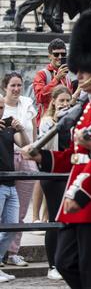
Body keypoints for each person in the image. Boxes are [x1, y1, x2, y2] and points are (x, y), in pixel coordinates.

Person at [20, 9, 91, 289]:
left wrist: (80, 191)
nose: (80, 73)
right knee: (67, 262)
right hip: (76, 200)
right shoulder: (87, 108)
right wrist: (42, 156)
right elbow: (74, 157)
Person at [1, 72, 37, 267]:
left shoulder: (27, 104)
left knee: (20, 210)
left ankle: (13, 251)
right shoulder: (0, 105)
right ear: (4, 88)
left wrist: (34, 153)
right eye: (12, 86)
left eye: (19, 85)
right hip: (6, 158)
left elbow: (34, 131)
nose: (16, 89)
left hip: (25, 155)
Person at [37, 86, 72, 281]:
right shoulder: (47, 121)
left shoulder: (74, 122)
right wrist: (57, 123)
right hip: (52, 174)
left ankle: (66, 260)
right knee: (54, 217)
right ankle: (52, 265)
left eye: (68, 101)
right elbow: (43, 146)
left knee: (68, 218)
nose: (65, 105)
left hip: (69, 172)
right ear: (54, 102)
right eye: (62, 101)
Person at [0, 95, 30, 283]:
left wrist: (21, 129)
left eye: (2, 107)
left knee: (13, 226)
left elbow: (26, 145)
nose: (1, 110)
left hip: (11, 183)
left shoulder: (7, 127)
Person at [33, 39, 74, 124]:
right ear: (50, 56)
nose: (59, 57)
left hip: (64, 122)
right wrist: (56, 79)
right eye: (56, 54)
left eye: (63, 54)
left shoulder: (67, 77)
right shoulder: (42, 74)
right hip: (46, 122)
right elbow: (39, 97)